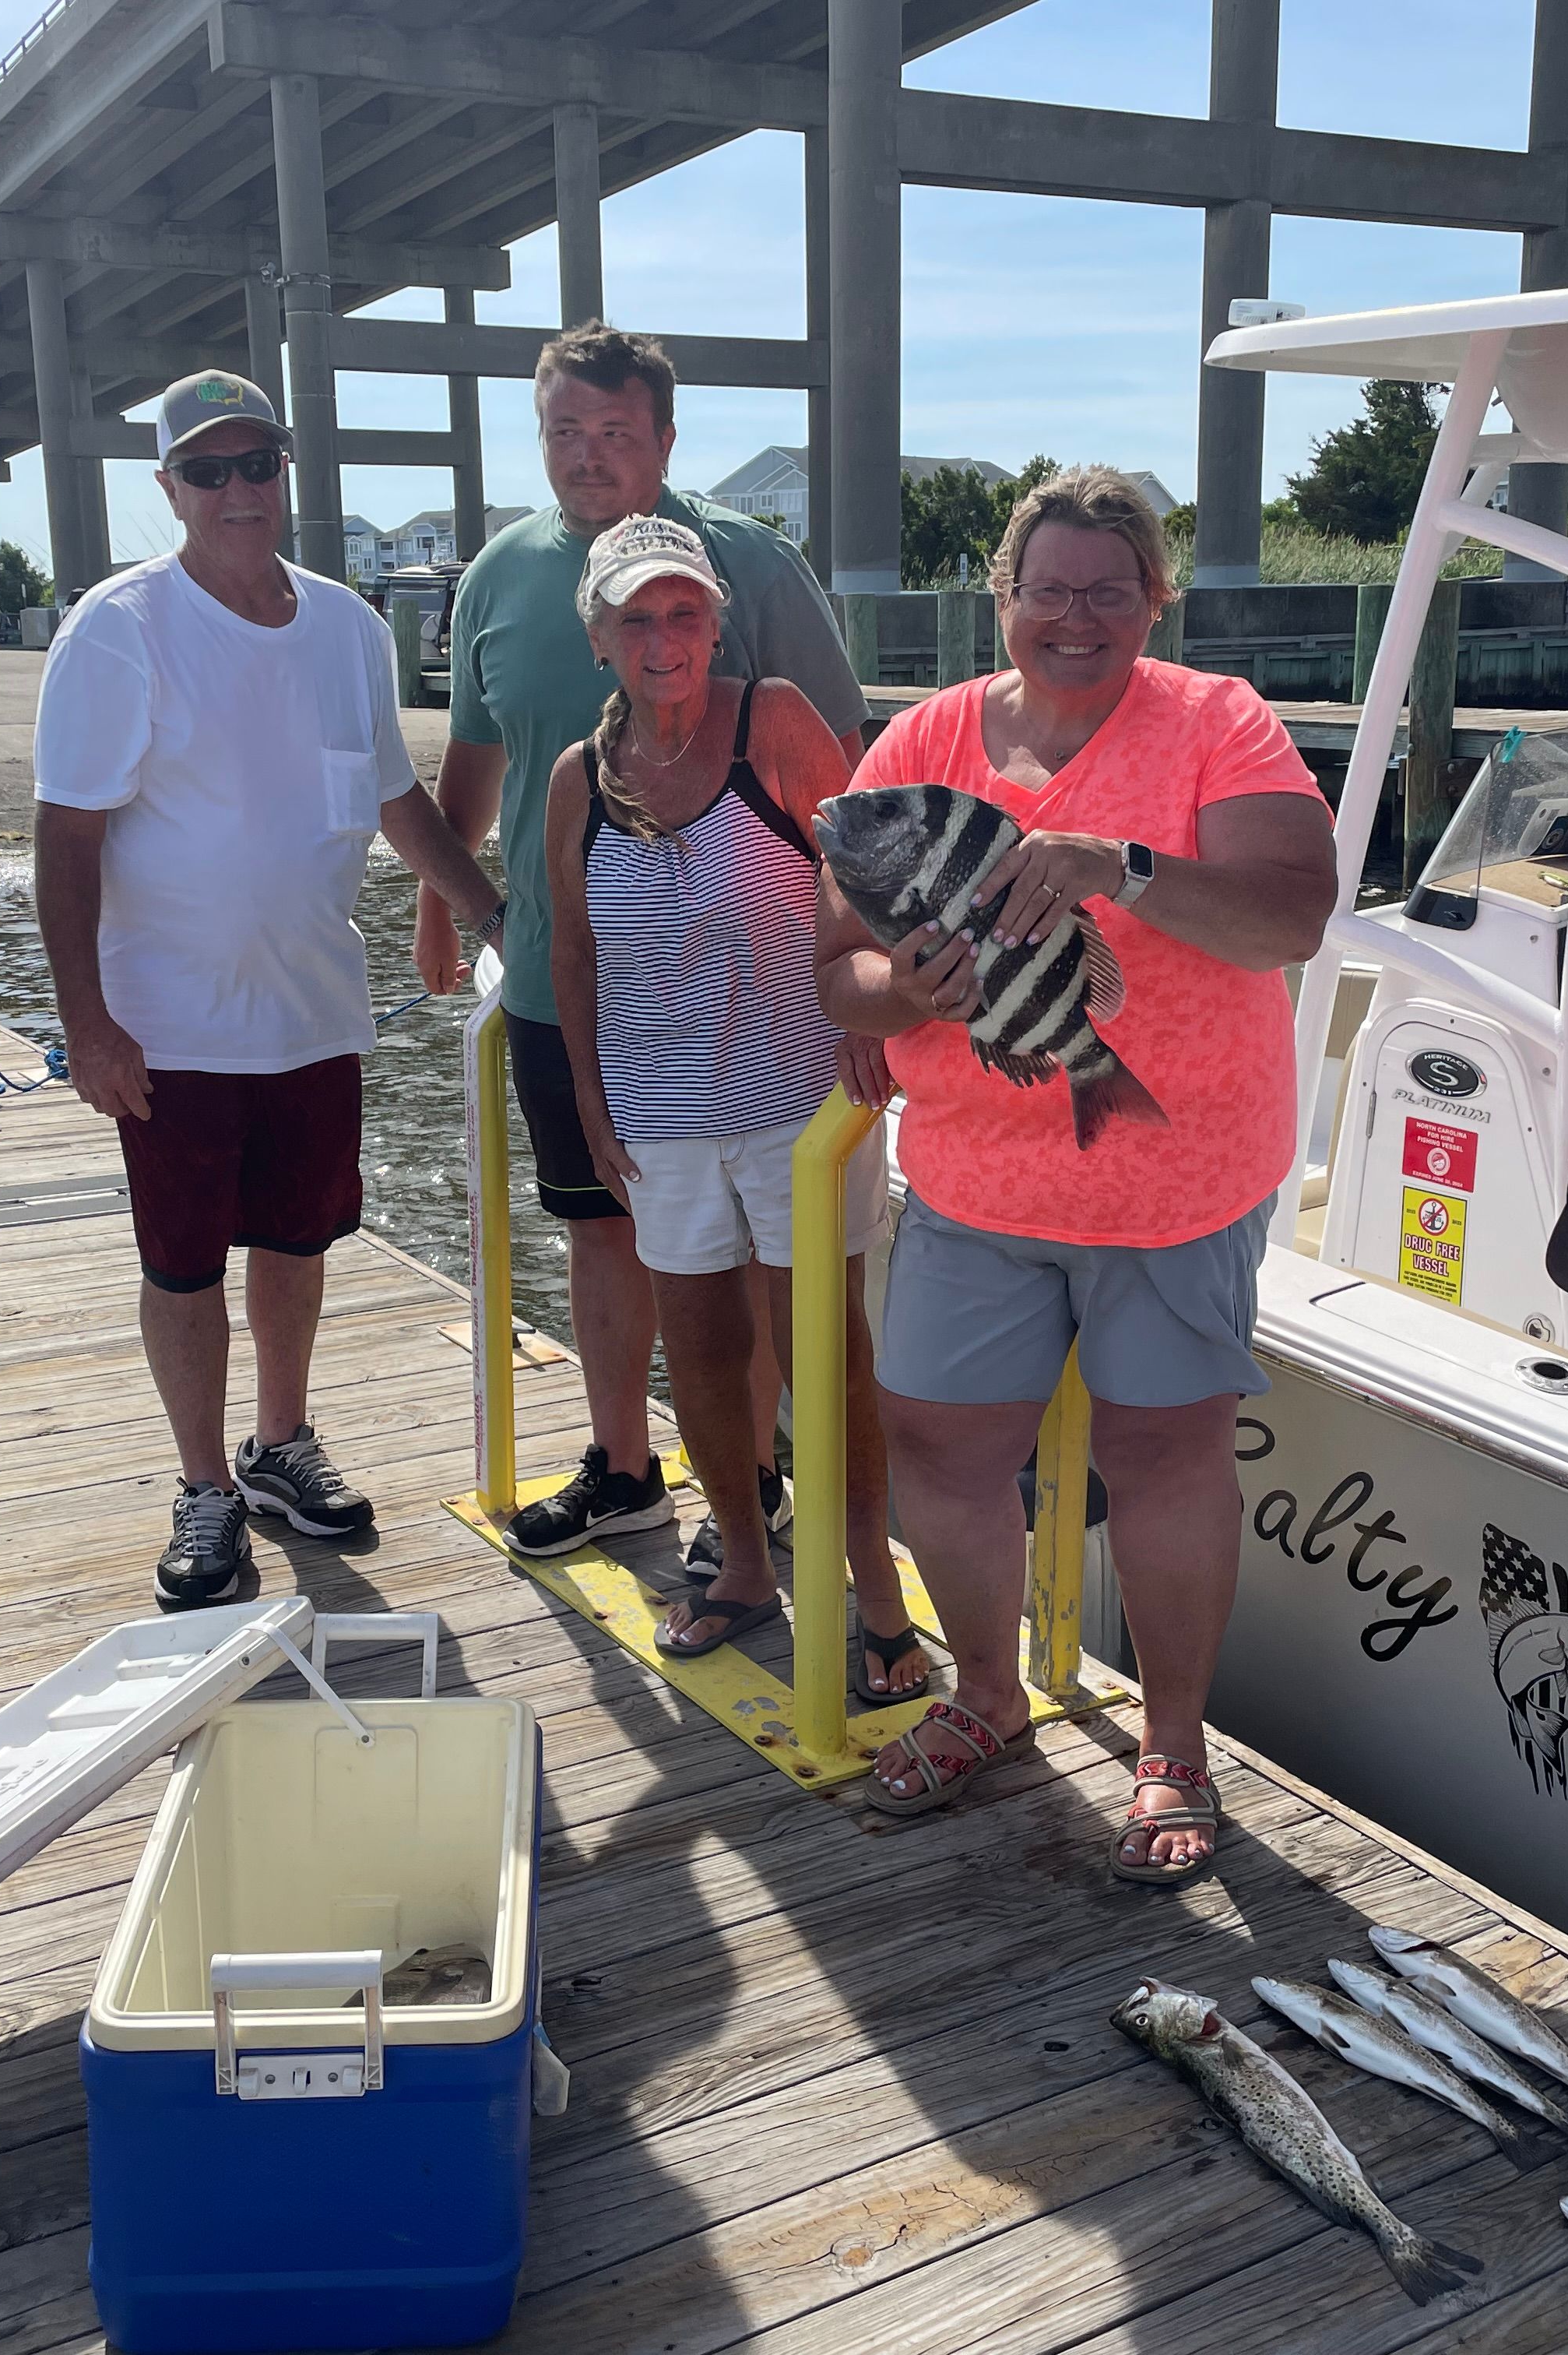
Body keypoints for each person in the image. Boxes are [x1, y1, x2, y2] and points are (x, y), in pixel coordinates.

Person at [816, 466, 1338, 1883]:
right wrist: (899, 990)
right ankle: (986, 1697)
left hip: (1177, 1183)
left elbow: (1293, 911)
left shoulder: (1219, 724)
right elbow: (839, 974)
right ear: (1004, 599)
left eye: (1111, 590)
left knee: (1163, 1456)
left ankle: (1172, 1747)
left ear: (1155, 601)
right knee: (934, 1441)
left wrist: (1126, 868)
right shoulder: (923, 739)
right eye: (1049, 589)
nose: (1077, 616)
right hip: (977, 1185)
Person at [34, 372, 512, 1608]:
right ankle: (203, 1485)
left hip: (312, 1009)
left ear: (286, 469)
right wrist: (86, 1022)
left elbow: (394, 798)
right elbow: (68, 835)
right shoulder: (119, 626)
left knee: (299, 1243)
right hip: (171, 1022)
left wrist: (486, 907)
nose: (239, 490)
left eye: (259, 464)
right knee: (185, 1262)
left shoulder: (351, 626)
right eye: (210, 471)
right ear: (170, 490)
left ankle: (280, 1444)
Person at [419, 326, 872, 1566]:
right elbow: (476, 756)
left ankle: (766, 1471)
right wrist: (442, 909)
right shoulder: (499, 574)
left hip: (757, 1003)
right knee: (601, 1223)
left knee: (772, 1265)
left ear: (666, 439)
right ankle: (625, 1465)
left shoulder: (749, 568)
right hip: (575, 988)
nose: (588, 454)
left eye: (617, 431)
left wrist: (868, 986)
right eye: (565, 430)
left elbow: (852, 781)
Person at [544, 517, 925, 1696]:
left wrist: (870, 1015)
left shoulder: (772, 721)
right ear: (600, 637)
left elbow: (872, 861)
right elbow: (571, 945)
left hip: (797, 1099)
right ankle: (747, 1564)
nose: (665, 640)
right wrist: (595, 1110)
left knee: (826, 1356)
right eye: (637, 619)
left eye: (685, 613)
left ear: (716, 620)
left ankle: (875, 1590)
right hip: (659, 1114)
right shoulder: (578, 777)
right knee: (701, 1354)